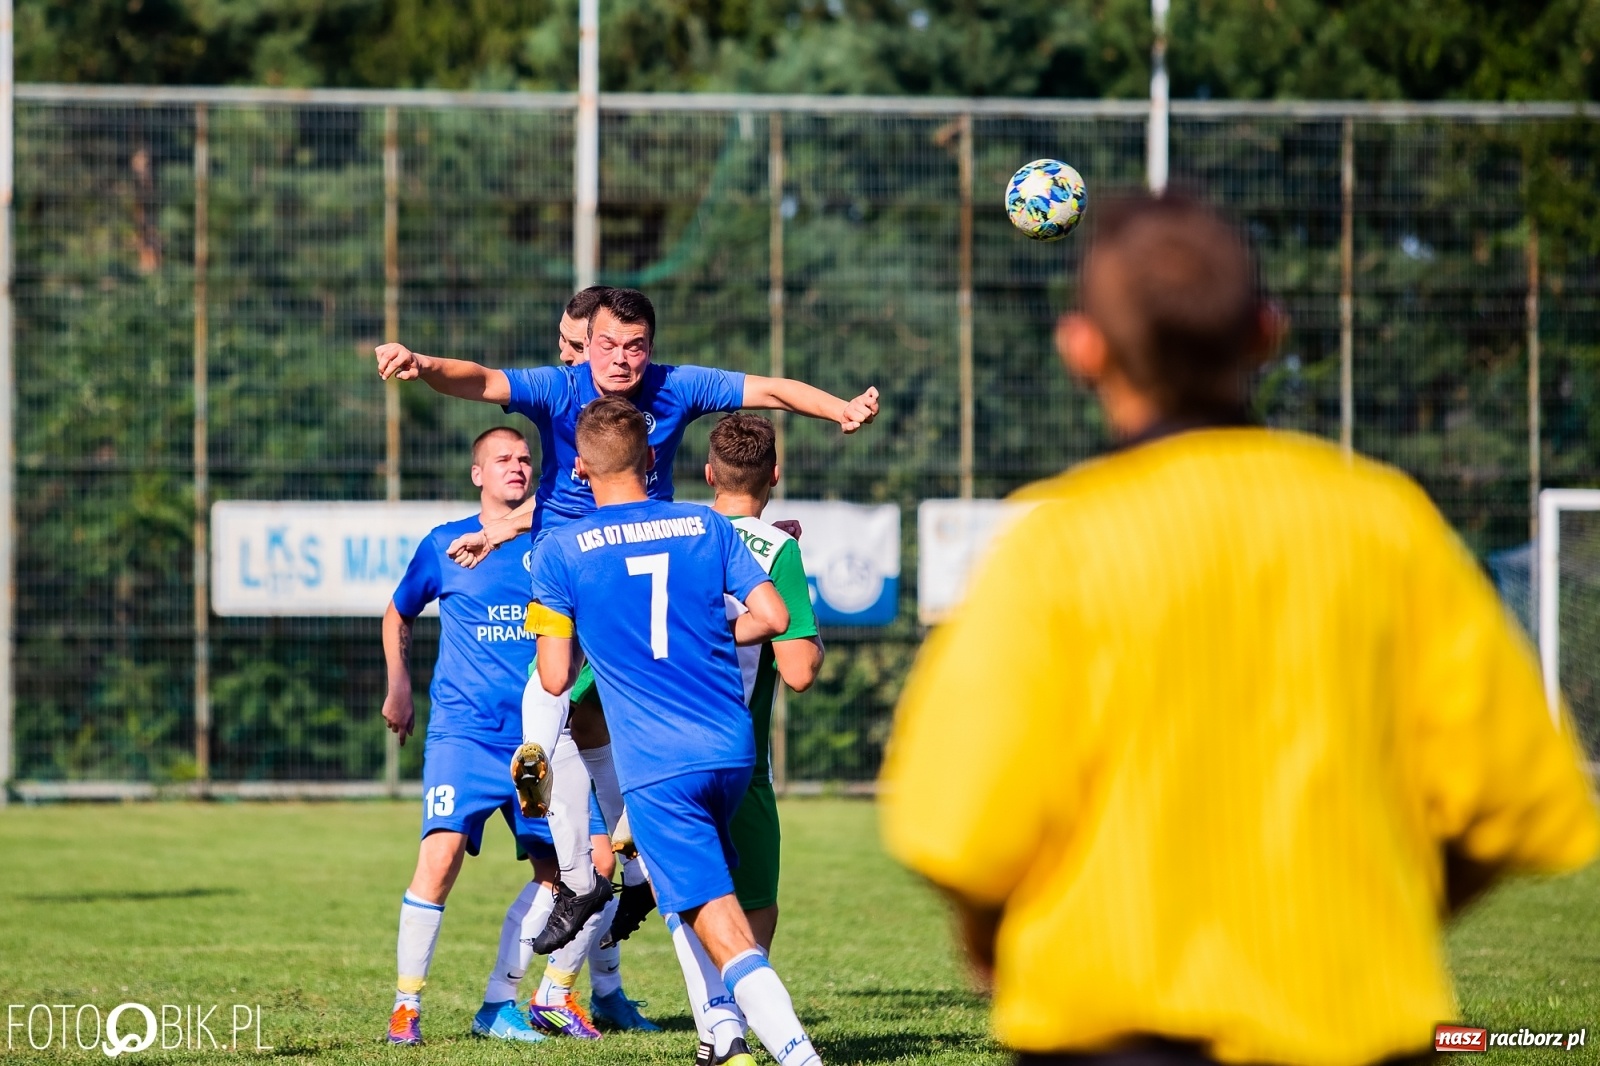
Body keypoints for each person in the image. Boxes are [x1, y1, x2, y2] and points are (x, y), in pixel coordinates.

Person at [879, 194, 1600, 1066]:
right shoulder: (1386, 525)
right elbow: (1515, 801)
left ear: (1082, 349)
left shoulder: (1056, 545)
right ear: (1266, 333)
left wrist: (991, 936)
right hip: (1356, 1034)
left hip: (1111, 1039)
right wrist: (1387, 913)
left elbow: (955, 828)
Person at [374, 286, 878, 953]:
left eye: (635, 346)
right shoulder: (559, 388)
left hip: (628, 589)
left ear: (651, 347)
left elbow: (774, 390)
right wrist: (424, 364)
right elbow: (482, 379)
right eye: (607, 343)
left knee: (561, 713)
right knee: (560, 716)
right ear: (587, 342)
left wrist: (837, 407)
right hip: (567, 580)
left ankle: (600, 875)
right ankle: (616, 869)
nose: (621, 358)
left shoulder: (677, 387)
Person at [527, 396, 823, 1066]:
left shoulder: (562, 551)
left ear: (578, 468)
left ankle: (795, 1054)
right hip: (732, 749)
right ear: (653, 458)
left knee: (713, 914)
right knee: (687, 899)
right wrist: (705, 637)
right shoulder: (702, 525)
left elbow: (552, 677)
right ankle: (721, 1039)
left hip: (659, 763)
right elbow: (773, 615)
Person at [382, 426, 556, 1046]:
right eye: (503, 459)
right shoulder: (443, 545)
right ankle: (406, 1008)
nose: (518, 466)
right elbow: (398, 610)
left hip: (539, 741)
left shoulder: (555, 535)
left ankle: (498, 1005)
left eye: (526, 459)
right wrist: (399, 686)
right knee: (440, 857)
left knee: (560, 874)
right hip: (465, 735)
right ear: (477, 473)